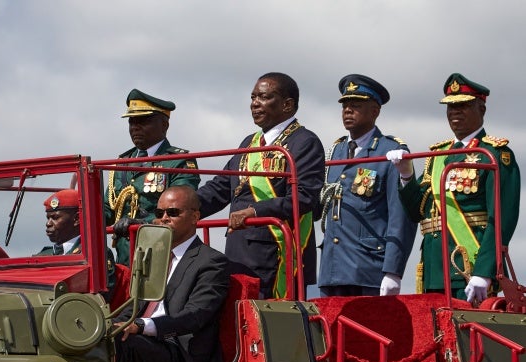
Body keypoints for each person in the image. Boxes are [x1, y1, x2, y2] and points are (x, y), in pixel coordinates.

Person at [387, 73, 520, 303]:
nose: (454, 112)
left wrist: (484, 271)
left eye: (463, 106)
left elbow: (501, 219)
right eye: (450, 107)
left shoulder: (496, 154)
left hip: (469, 267)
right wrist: (406, 174)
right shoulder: (439, 155)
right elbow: (416, 212)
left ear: (482, 109)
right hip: (433, 269)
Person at [197, 72, 325, 299]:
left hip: (275, 255)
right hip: (238, 253)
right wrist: (182, 207)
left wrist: (255, 211)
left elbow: (304, 197)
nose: (255, 104)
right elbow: (220, 187)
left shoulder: (305, 142)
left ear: (287, 105)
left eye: (264, 97)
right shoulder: (249, 142)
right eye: (253, 97)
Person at [113, 185, 229, 362]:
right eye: (159, 213)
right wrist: (113, 326)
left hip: (179, 347)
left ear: (195, 217)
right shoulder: (152, 256)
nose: (164, 218)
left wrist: (141, 326)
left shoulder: (212, 261)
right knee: (92, 338)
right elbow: (133, 307)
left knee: (114, 346)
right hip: (146, 340)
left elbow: (195, 315)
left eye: (173, 212)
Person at [318, 74, 417, 297]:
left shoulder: (390, 153)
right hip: (332, 268)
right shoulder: (336, 152)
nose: (348, 111)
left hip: (369, 270)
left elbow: (401, 218)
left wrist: (394, 270)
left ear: (375, 111)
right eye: (345, 106)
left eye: (356, 105)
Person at [106, 89, 200, 266]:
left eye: (143, 121)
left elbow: (182, 208)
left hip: (162, 253)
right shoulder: (122, 163)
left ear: (164, 125)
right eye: (132, 122)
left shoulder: (178, 161)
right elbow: (109, 207)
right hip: (125, 256)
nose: (135, 127)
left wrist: (141, 223)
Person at [36, 189, 81, 256]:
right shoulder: (42, 256)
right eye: (48, 218)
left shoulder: (90, 253)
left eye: (55, 218)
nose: (48, 224)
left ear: (77, 219)